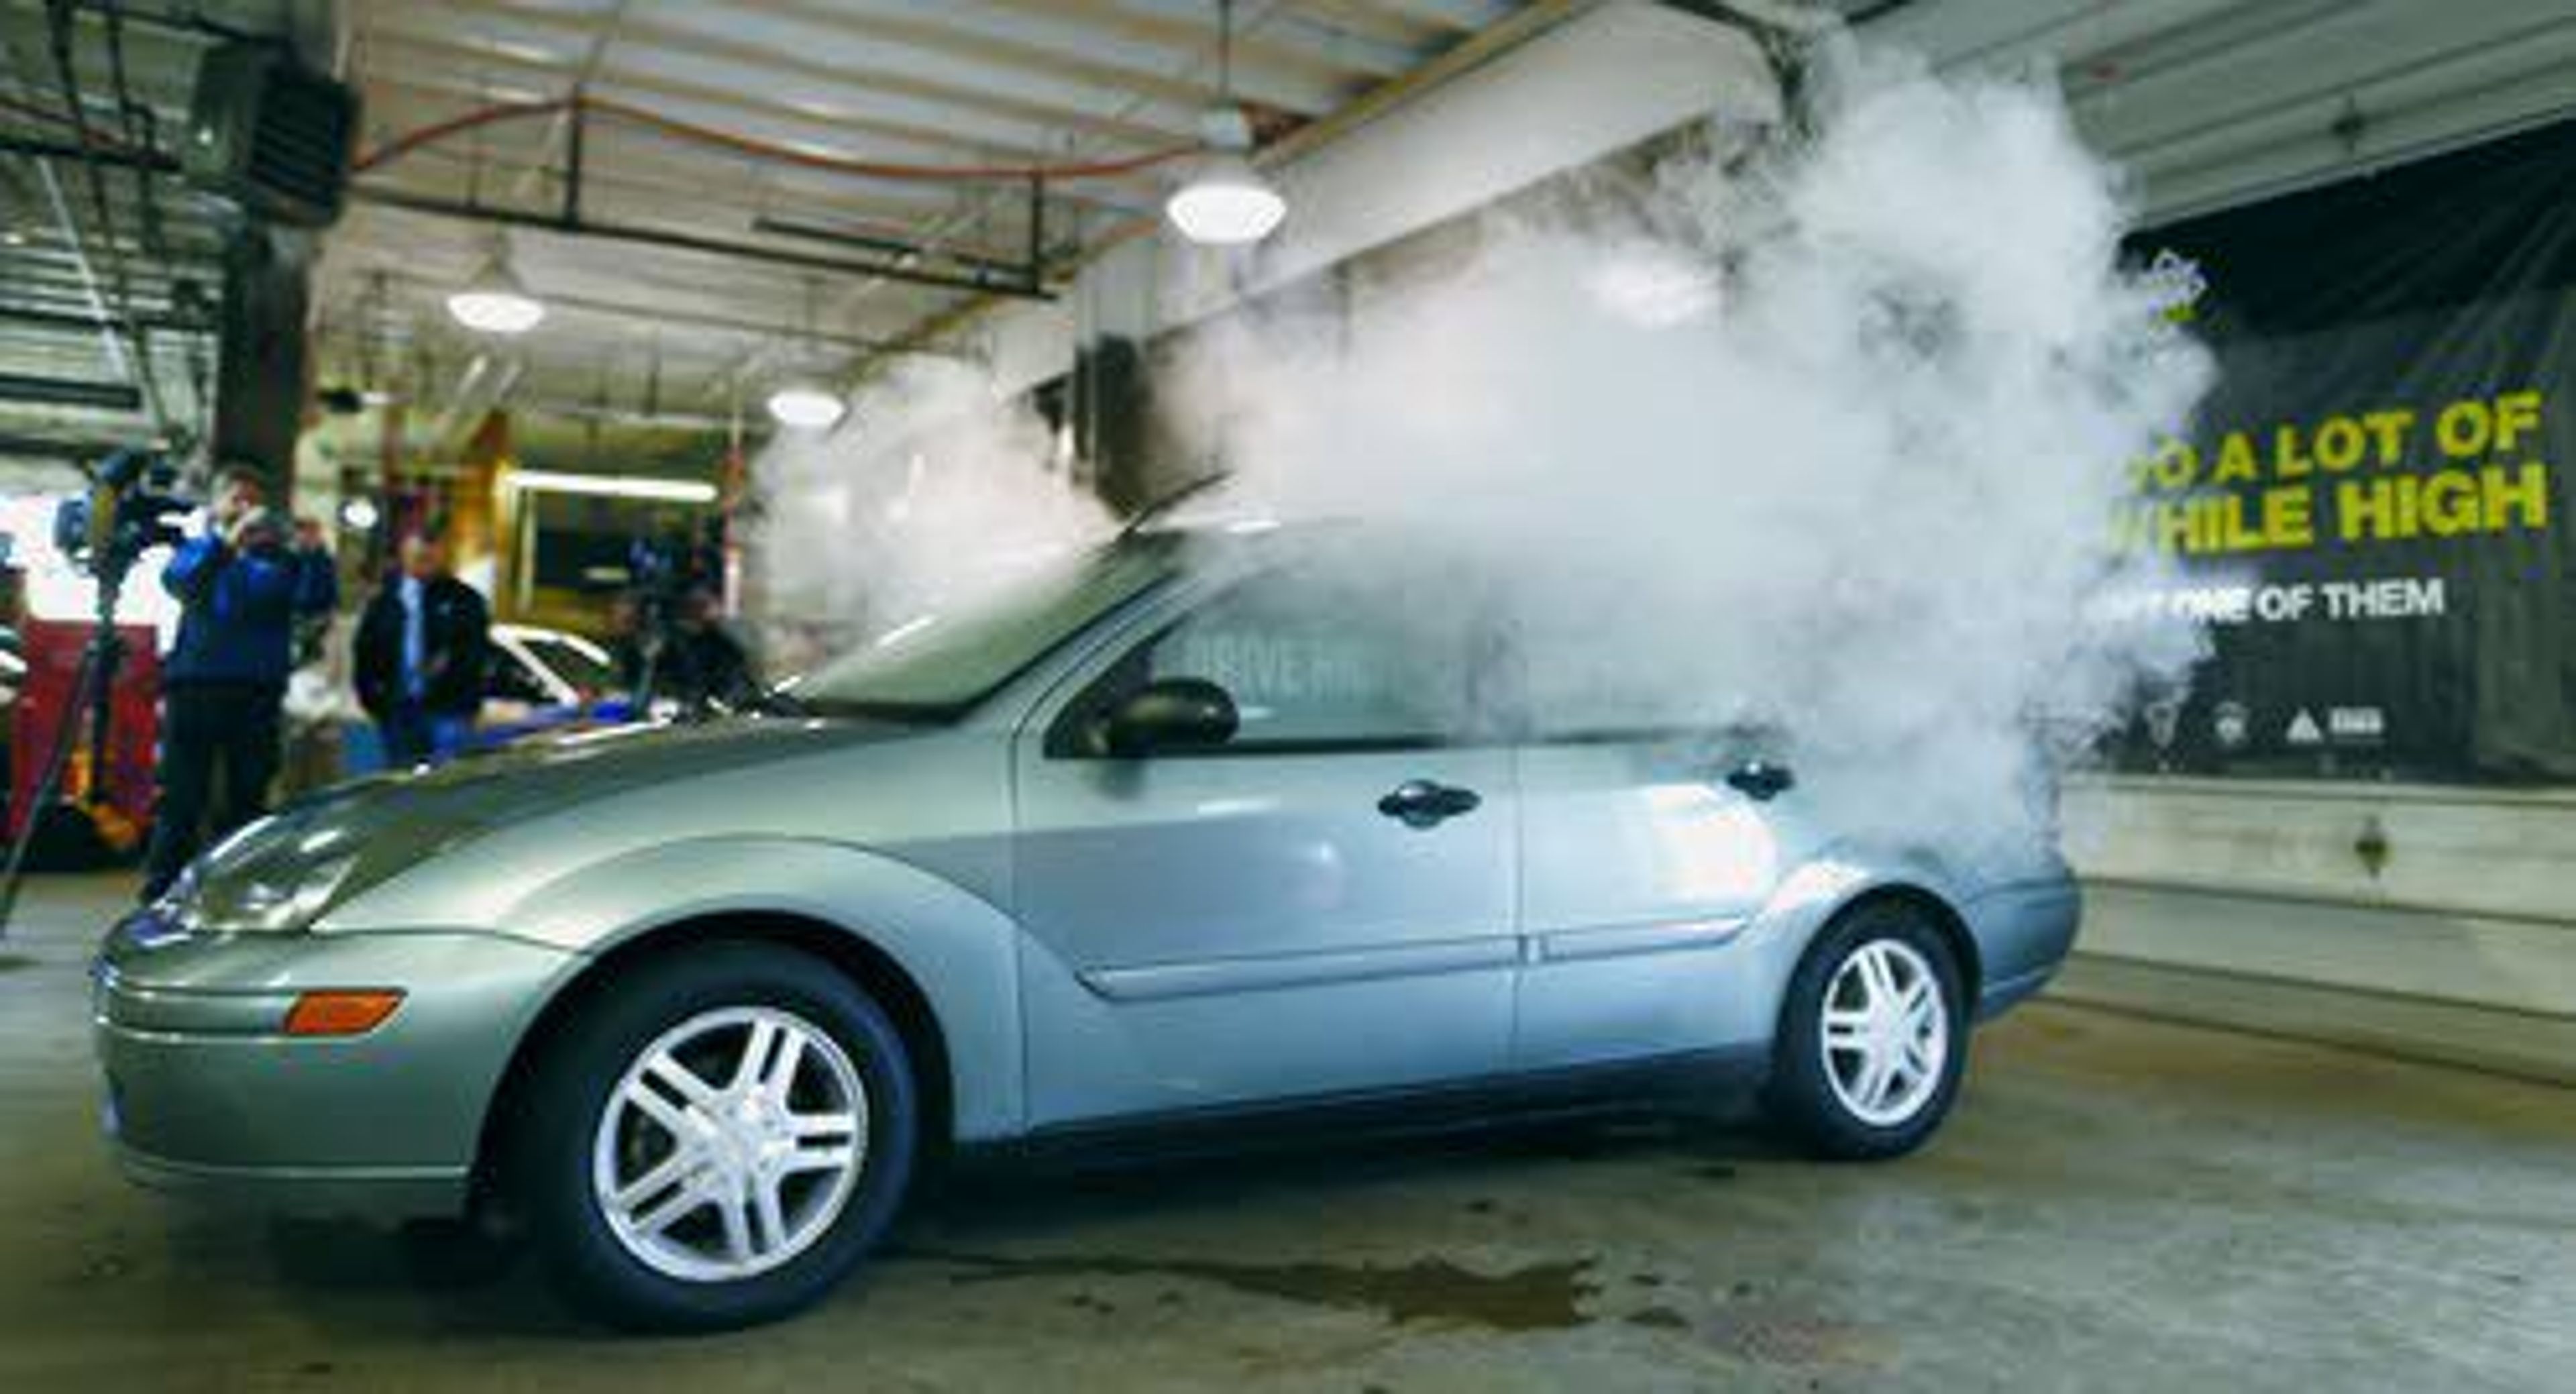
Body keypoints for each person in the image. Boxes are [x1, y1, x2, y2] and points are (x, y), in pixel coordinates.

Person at [140, 465, 337, 902]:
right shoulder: (198, 551)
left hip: (256, 692)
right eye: (236, 499)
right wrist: (226, 541)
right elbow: (182, 584)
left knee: (247, 795)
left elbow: (315, 602)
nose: (246, 509)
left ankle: (235, 887)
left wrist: (316, 553)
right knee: (181, 796)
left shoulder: (283, 563)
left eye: (254, 500)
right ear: (216, 504)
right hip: (195, 689)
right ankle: (161, 889)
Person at [354, 526, 491, 769]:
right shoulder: (385, 602)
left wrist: (462, 689)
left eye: (430, 558)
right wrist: (374, 700)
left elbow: (476, 653)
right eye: (418, 557)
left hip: (449, 709)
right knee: (401, 781)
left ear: (442, 556)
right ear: (404, 557)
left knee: (445, 780)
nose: (424, 564)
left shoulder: (465, 601)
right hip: (398, 709)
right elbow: (365, 652)